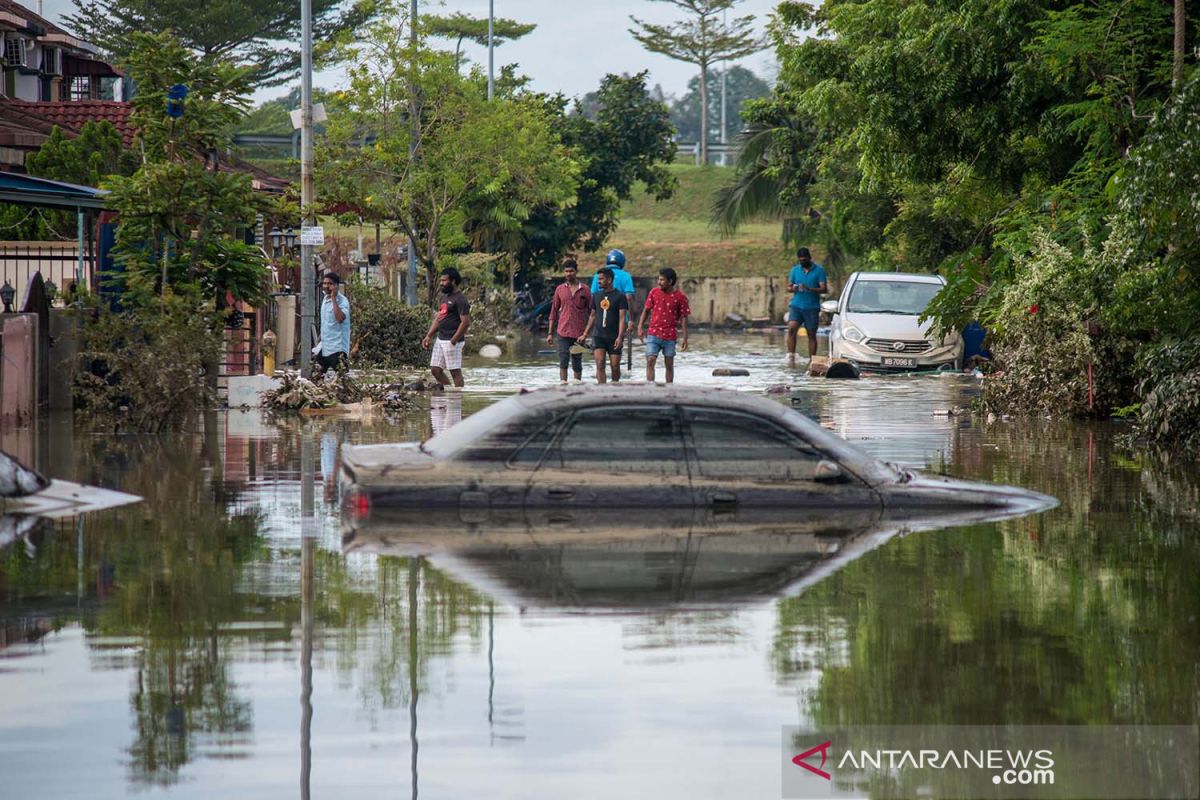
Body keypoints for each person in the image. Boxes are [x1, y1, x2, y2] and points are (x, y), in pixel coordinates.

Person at [637, 267, 690, 384]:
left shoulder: (680, 297)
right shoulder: (654, 292)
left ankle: (669, 388)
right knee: (650, 359)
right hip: (653, 333)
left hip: (670, 336)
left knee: (669, 363)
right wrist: (640, 327)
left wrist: (685, 337)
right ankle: (650, 386)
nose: (658, 282)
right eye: (658, 279)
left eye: (662, 280)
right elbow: (646, 310)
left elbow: (684, 317)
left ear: (670, 282)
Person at [421, 267, 471, 388]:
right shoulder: (444, 297)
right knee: (435, 370)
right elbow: (439, 318)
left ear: (453, 281)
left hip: (453, 340)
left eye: (444, 281)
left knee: (455, 372)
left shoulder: (460, 299)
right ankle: (447, 391)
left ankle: (457, 399)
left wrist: (453, 340)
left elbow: (465, 322)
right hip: (440, 338)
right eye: (441, 280)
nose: (441, 283)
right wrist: (429, 335)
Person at [546, 257, 591, 384]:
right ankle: (563, 385)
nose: (568, 274)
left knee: (577, 361)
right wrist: (550, 333)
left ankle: (577, 386)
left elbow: (592, 313)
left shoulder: (585, 290)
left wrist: (586, 333)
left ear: (576, 272)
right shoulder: (560, 290)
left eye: (571, 271)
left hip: (579, 333)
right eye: (566, 271)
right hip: (563, 331)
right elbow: (554, 311)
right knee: (563, 360)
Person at [580, 267, 628, 384]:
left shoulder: (620, 296)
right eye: (598, 279)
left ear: (609, 280)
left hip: (614, 336)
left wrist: (620, 337)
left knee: (615, 366)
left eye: (601, 279)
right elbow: (592, 315)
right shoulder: (596, 296)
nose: (598, 281)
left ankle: (615, 386)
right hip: (598, 335)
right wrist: (585, 334)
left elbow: (622, 319)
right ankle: (602, 390)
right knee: (600, 364)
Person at [786, 247, 828, 364]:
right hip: (796, 305)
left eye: (805, 260)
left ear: (810, 258)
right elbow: (788, 287)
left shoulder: (819, 271)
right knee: (791, 329)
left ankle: (812, 360)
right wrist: (793, 288)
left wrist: (809, 288)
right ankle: (791, 356)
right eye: (800, 260)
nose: (802, 262)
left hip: (812, 307)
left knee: (811, 334)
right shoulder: (795, 270)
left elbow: (824, 289)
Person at [316, 272, 351, 373]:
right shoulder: (325, 300)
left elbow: (340, 318)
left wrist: (334, 299)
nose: (326, 286)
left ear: (336, 286)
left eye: (330, 284)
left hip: (337, 348)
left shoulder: (343, 301)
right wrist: (320, 338)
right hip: (325, 347)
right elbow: (326, 322)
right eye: (325, 283)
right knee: (315, 376)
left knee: (343, 380)